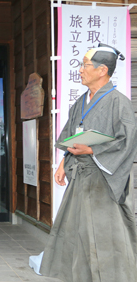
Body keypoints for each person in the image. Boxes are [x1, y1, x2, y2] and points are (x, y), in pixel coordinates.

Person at [34, 44, 137, 281]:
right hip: (80, 176)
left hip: (104, 179)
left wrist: (92, 148)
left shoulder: (117, 101)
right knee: (76, 230)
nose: (80, 70)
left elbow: (127, 140)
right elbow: (71, 134)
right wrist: (62, 164)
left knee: (105, 233)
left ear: (102, 70)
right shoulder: (81, 101)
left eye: (85, 65)